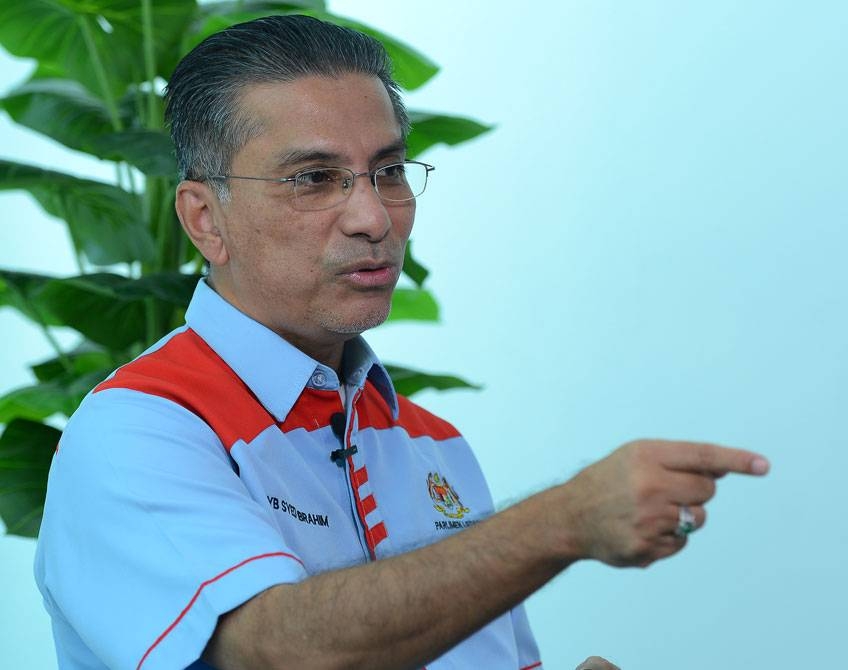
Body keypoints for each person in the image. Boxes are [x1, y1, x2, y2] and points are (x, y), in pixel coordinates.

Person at [33, 14, 770, 670]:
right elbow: (279, 652)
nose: (373, 217)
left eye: (388, 171)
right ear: (204, 219)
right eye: (315, 179)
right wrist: (563, 521)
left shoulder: (433, 446)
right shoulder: (136, 430)